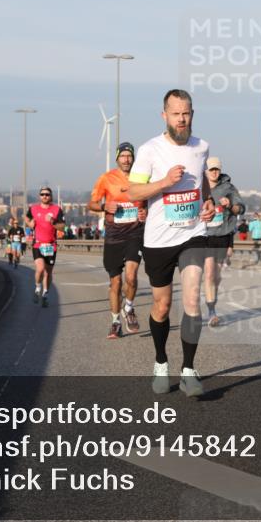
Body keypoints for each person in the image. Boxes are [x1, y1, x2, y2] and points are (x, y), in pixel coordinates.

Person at [127, 89, 216, 397]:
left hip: (193, 233)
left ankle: (189, 370)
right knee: (162, 306)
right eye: (176, 114)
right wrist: (164, 182)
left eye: (187, 113)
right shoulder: (149, 150)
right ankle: (161, 362)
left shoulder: (201, 146)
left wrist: (209, 201)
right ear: (164, 115)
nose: (182, 119)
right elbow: (133, 192)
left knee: (192, 299)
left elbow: (201, 178)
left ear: (193, 114)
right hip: (158, 239)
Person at [88, 142, 147, 339]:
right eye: (123, 156)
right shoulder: (106, 178)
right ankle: (115, 322)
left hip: (135, 233)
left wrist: (145, 210)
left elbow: (150, 200)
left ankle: (128, 308)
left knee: (131, 276)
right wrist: (105, 206)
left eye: (129, 156)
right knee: (115, 283)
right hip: (114, 235)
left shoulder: (143, 177)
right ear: (117, 158)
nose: (126, 159)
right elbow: (92, 203)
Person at [202, 156, 244, 327]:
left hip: (221, 235)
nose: (214, 172)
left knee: (215, 277)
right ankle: (207, 311)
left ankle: (211, 306)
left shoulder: (228, 187)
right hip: (203, 236)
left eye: (217, 169)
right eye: (211, 169)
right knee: (208, 273)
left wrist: (230, 206)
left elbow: (240, 208)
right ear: (205, 171)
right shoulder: (198, 186)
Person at [25, 186, 65, 307]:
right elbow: (27, 218)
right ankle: (38, 288)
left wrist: (53, 221)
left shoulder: (57, 210)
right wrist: (30, 223)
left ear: (51, 196)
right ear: (39, 196)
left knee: (48, 273)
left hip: (51, 246)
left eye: (47, 194)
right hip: (38, 244)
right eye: (42, 194)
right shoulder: (33, 209)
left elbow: (62, 227)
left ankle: (45, 293)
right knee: (40, 269)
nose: (45, 196)